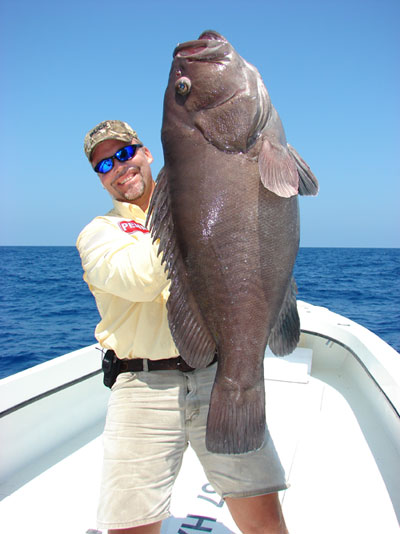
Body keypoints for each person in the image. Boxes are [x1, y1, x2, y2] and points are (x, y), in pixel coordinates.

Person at [77, 120, 289, 534]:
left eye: (125, 153)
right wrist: (197, 214)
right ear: (100, 180)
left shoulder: (201, 206)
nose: (119, 167)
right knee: (131, 526)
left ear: (147, 153)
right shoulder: (98, 234)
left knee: (266, 521)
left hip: (219, 376)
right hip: (142, 386)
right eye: (105, 165)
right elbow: (141, 278)